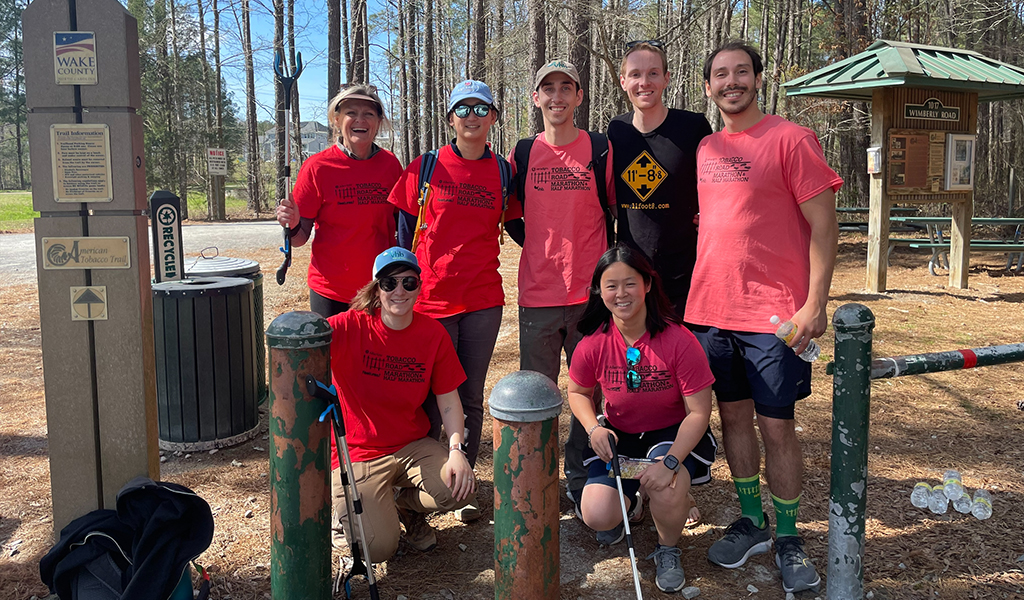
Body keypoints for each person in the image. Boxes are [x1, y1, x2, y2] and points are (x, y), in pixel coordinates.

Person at [685, 40, 842, 595]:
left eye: (741, 72)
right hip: (711, 310)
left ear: (757, 78)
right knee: (730, 421)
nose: (732, 82)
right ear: (708, 86)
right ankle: (752, 520)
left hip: (776, 317)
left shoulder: (792, 139)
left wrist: (815, 303)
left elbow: (825, 226)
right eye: (721, 75)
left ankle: (791, 535)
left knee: (777, 426)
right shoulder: (705, 148)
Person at [388, 80, 521, 522]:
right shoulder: (426, 167)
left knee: (470, 398)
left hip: (483, 299)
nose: (471, 116)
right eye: (462, 109)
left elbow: (521, 227)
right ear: (450, 119)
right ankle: (423, 487)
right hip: (432, 302)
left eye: (481, 108)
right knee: (429, 398)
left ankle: (464, 484)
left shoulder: (503, 171)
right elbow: (403, 233)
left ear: (493, 118)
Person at [568, 245, 717, 594]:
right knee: (597, 515)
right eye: (611, 285)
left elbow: (699, 412)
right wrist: (593, 428)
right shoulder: (593, 343)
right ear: (599, 291)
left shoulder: (680, 340)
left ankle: (668, 548)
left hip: (670, 435)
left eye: (630, 283)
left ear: (648, 284)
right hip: (620, 436)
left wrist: (670, 461)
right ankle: (634, 502)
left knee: (664, 483)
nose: (621, 294)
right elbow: (577, 393)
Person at [504, 59, 615, 515]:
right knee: (539, 394)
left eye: (566, 87)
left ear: (579, 96)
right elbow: (510, 212)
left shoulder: (600, 148)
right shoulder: (524, 153)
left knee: (593, 393)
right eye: (547, 88)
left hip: (592, 298)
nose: (556, 96)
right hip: (539, 296)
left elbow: (618, 212)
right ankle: (537, 479)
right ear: (535, 98)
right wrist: (540, 248)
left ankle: (584, 475)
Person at [326, 246, 475, 562]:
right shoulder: (348, 326)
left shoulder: (432, 334)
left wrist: (456, 450)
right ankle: (352, 517)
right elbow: (302, 339)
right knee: (377, 548)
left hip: (410, 446)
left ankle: (403, 505)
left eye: (409, 283)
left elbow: (448, 400)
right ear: (376, 288)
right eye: (389, 283)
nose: (399, 291)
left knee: (460, 488)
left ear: (419, 287)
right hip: (359, 452)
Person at [276, 83, 402, 318]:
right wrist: (291, 224)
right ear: (336, 119)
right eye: (351, 113)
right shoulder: (317, 167)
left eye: (368, 114)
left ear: (378, 121)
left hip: (379, 287)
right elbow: (299, 238)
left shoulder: (391, 165)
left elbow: (402, 226)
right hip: (330, 291)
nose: (360, 120)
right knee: (333, 355)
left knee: (375, 355)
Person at [607, 41, 712, 319]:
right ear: (623, 81)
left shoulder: (693, 127)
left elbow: (715, 183)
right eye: (635, 74)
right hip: (632, 277)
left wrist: (713, 215)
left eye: (653, 73)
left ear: (666, 78)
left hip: (687, 274)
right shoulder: (615, 131)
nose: (644, 82)